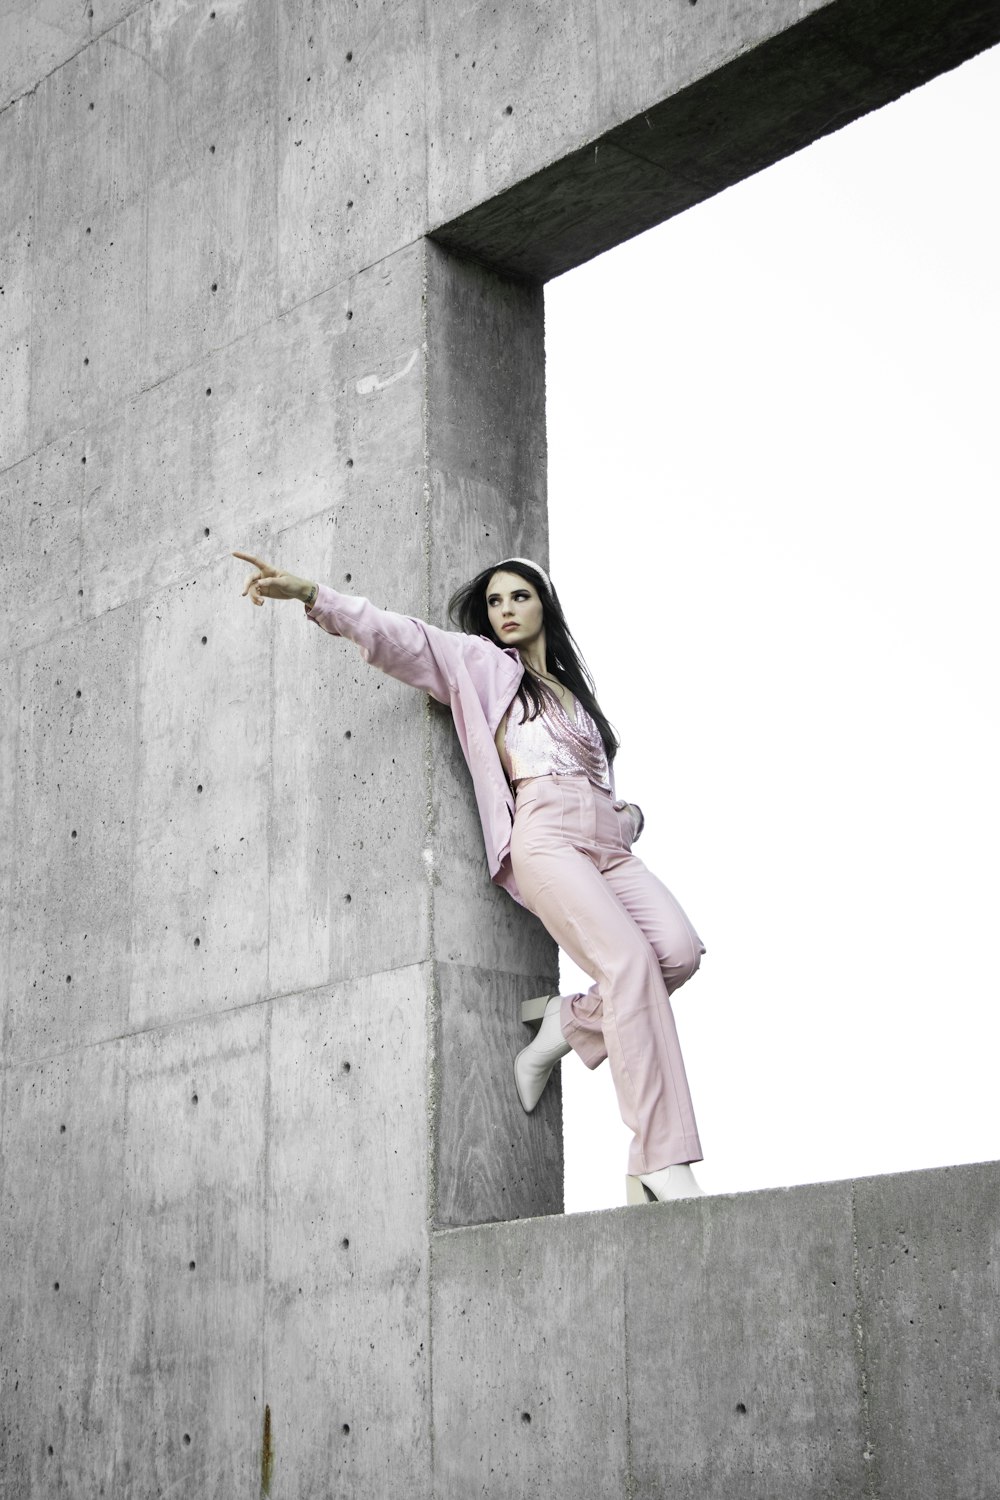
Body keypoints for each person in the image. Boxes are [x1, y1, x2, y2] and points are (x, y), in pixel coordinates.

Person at [233, 549, 706, 1204]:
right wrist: (315, 595)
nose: (505, 611)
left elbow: (595, 777)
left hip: (611, 844)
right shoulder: (485, 667)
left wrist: (630, 816)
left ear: (544, 605)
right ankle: (658, 1159)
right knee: (627, 963)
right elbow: (404, 639)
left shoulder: (575, 693)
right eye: (494, 602)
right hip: (546, 839)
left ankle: (566, 1025)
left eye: (518, 598)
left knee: (677, 954)